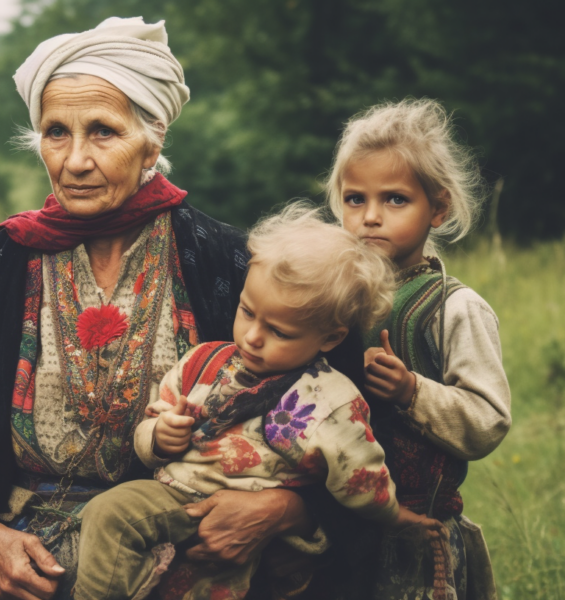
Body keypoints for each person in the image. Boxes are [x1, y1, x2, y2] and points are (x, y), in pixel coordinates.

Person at [0, 17, 366, 600]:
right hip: (20, 573)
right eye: (56, 133)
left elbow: (344, 431)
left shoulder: (228, 265)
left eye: (102, 132)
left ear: (153, 139)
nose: (75, 160)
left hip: (191, 561)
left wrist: (282, 510)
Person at [75, 207, 446, 600]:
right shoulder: (205, 362)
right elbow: (153, 420)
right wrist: (158, 437)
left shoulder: (331, 402)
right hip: (176, 497)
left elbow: (361, 478)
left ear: (331, 338)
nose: (252, 337)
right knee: (109, 513)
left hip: (256, 520)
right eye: (247, 312)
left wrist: (393, 515)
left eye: (279, 331)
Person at [328, 98, 512, 599]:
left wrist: (413, 392)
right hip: (333, 528)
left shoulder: (456, 308)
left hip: (418, 530)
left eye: (394, 200)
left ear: (439, 207)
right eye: (354, 199)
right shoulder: (330, 300)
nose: (370, 217)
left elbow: (488, 419)